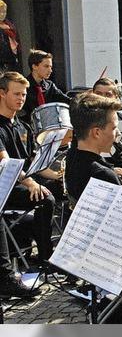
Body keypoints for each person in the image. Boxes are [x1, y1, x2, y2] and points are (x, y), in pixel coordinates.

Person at [0, 72, 56, 264]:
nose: (21, 99)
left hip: (25, 180)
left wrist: (58, 176)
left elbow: (33, 164)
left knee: (59, 189)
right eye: (16, 94)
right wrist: (32, 183)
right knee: (46, 199)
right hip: (6, 187)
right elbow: (6, 164)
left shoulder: (24, 126)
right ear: (2, 93)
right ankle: (45, 257)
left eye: (24, 94)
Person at [20, 50, 71, 124]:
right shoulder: (23, 87)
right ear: (34, 66)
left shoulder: (50, 86)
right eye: (46, 66)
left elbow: (67, 100)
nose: (50, 70)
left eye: (51, 67)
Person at [92, 78, 122, 147]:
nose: (103, 98)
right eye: (98, 94)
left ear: (116, 97)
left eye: (108, 94)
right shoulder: (85, 119)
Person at [0, 0, 20, 72]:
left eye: (4, 11)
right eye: (0, 11)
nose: (2, 14)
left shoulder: (10, 26)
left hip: (12, 62)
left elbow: (17, 45)